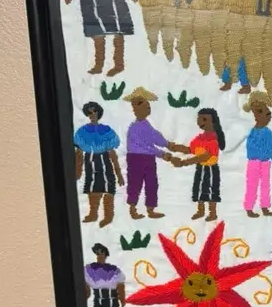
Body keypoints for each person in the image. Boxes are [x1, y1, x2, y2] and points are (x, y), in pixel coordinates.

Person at [165, 108, 225, 220]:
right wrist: (176, 148)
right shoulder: (200, 138)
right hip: (200, 167)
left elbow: (204, 156)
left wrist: (183, 163)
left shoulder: (213, 139)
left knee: (211, 190)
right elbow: (190, 150)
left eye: (204, 119)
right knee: (199, 188)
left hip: (210, 169)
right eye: (199, 119)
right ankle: (200, 211)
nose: (200, 121)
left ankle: (212, 213)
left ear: (213, 122)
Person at [124, 87, 173, 219]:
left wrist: (167, 144)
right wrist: (162, 154)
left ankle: (150, 209)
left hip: (148, 159)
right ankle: (133, 209)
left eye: (147, 103)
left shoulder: (145, 124)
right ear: (134, 108)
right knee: (135, 183)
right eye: (141, 103)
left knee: (152, 183)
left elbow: (154, 136)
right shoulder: (135, 127)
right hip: (136, 159)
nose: (147, 106)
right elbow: (146, 146)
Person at [74, 101, 123, 225]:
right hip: (90, 160)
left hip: (104, 160)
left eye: (94, 112)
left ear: (98, 113)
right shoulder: (82, 131)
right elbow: (78, 152)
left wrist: (119, 174)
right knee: (92, 186)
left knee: (109, 187)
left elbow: (113, 153)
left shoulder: (106, 130)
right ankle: (93, 214)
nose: (92, 115)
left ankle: (108, 216)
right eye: (90, 113)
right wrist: (77, 171)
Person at [242, 92, 272, 217]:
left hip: (265, 163)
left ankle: (265, 207)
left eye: (266, 110)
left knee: (266, 185)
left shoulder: (267, 131)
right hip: (254, 163)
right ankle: (249, 208)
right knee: (252, 185)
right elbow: (262, 150)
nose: (267, 114)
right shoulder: (253, 134)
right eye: (260, 111)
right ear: (254, 115)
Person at [84, 243, 126, 307]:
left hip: (111, 295)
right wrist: (86, 292)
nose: (100, 255)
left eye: (102, 253)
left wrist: (122, 298)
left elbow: (120, 283)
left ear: (106, 254)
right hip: (98, 295)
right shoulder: (90, 268)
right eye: (97, 253)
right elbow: (84, 281)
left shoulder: (113, 269)